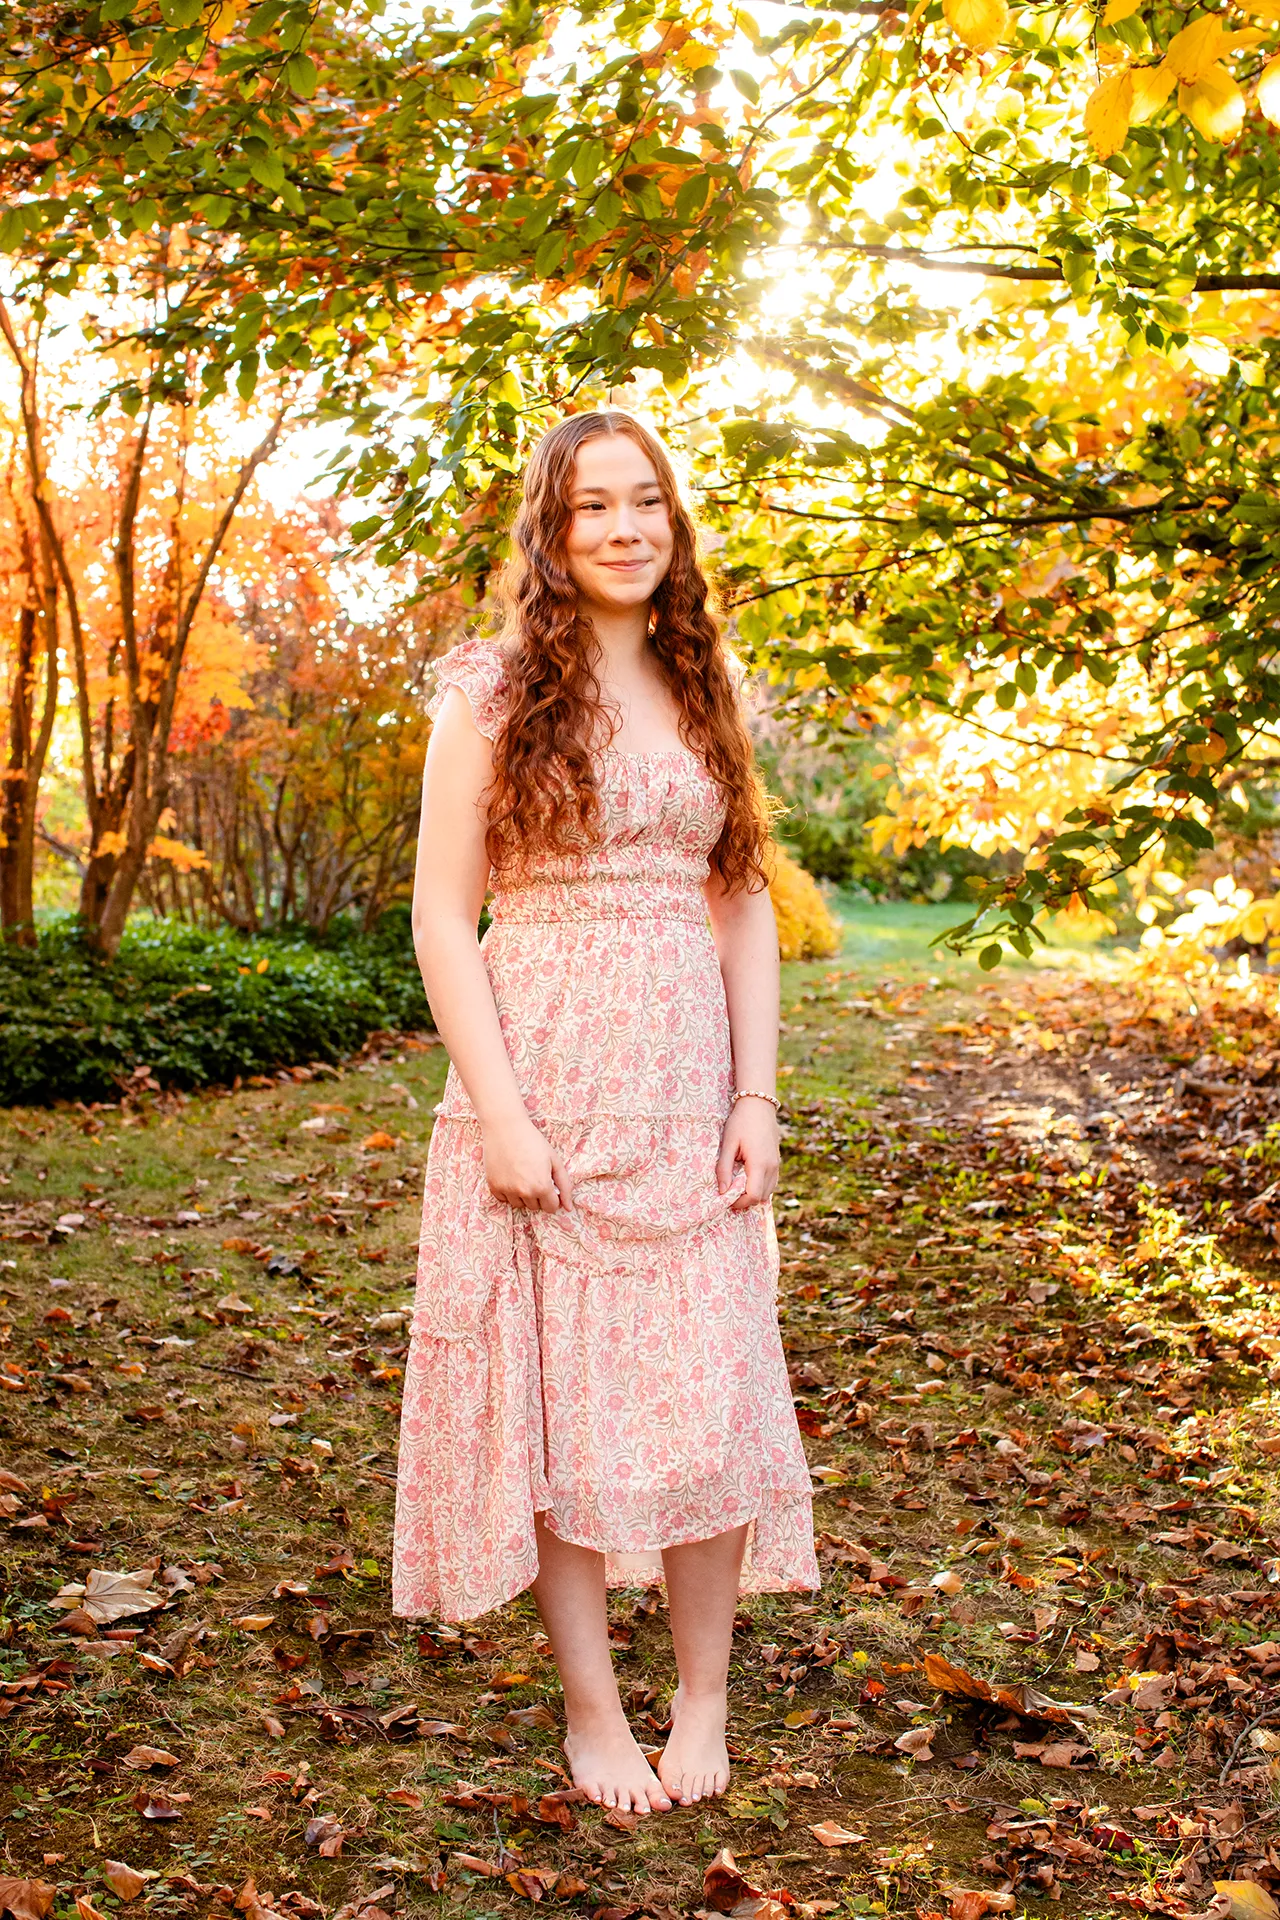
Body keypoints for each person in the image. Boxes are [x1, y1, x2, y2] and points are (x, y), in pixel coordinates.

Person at [392, 409, 818, 1817]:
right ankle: (593, 1715)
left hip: (690, 1098)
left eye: (647, 502)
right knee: (560, 1412)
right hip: (545, 1093)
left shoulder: (710, 685)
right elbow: (444, 923)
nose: (626, 527)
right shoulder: (493, 689)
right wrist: (503, 1118)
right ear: (551, 531)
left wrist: (757, 1094)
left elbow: (740, 894)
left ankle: (703, 1702)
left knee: (714, 1400)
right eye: (592, 508)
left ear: (674, 523)